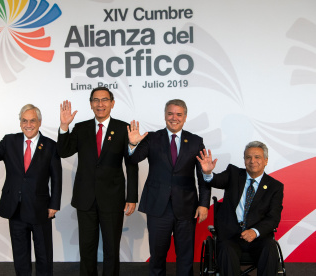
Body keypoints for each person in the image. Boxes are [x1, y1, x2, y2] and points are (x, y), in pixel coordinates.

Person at [0, 104, 62, 276]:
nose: (28, 124)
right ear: (20, 123)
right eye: (24, 121)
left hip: (40, 208)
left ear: (39, 122)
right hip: (15, 208)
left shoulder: (50, 145)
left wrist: (54, 204)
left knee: (44, 254)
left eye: (32, 120)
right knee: (20, 254)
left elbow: (57, 178)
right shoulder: (10, 141)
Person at [57, 87, 138, 276]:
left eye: (104, 100)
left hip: (112, 198)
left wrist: (132, 197)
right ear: (91, 103)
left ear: (112, 103)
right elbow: (63, 151)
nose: (100, 104)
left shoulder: (123, 128)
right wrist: (64, 127)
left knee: (111, 249)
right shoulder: (81, 128)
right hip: (85, 199)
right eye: (96, 100)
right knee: (87, 248)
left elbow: (131, 165)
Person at [127, 99, 211, 276]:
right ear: (165, 115)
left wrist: (204, 204)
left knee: (186, 256)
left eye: (179, 114)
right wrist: (133, 144)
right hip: (158, 208)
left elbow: (203, 175)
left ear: (185, 117)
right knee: (157, 256)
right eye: (170, 113)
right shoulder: (152, 138)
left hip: (187, 208)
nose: (174, 118)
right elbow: (133, 160)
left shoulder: (196, 141)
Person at [197, 141, 284, 276]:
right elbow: (216, 180)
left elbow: (273, 218)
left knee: (271, 248)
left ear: (266, 161)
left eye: (257, 157)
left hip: (258, 239)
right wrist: (208, 173)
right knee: (225, 249)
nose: (252, 161)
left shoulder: (275, 187)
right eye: (248, 157)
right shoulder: (233, 173)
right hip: (231, 237)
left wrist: (255, 232)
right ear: (244, 160)